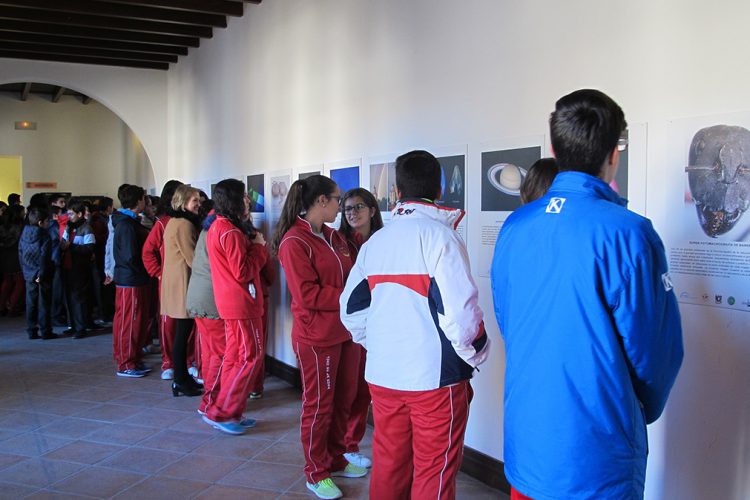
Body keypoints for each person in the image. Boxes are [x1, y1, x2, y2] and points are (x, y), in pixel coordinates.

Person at [490, 89, 684, 500]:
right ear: (614, 153)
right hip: (597, 454)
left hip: (529, 439)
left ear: (555, 148)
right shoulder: (629, 233)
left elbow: (509, 321)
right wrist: (635, 409)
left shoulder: (517, 225)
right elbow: (655, 353)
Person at [340, 151, 489, 500]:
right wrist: (477, 354)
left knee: (390, 463)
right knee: (434, 471)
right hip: (435, 381)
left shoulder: (376, 243)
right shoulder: (441, 238)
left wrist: (381, 344)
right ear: (439, 188)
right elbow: (462, 319)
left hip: (384, 374)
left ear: (395, 190)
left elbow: (350, 311)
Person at [272, 174, 368, 500]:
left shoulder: (334, 237)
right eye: (337, 200)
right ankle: (316, 471)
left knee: (345, 399)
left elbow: (354, 273)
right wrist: (351, 297)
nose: (342, 206)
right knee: (319, 405)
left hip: (345, 331)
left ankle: (337, 457)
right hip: (317, 337)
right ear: (321, 202)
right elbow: (307, 295)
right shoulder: (293, 242)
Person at [203, 179, 267, 434]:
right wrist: (260, 249)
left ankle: (226, 410)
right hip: (240, 304)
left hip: (233, 302)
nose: (247, 201)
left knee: (235, 357)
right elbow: (242, 271)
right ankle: (224, 412)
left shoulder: (221, 227)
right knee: (249, 357)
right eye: (243, 196)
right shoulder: (229, 231)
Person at [336, 187, 384, 469]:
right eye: (348, 208)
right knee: (348, 389)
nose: (352, 213)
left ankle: (350, 443)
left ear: (372, 210)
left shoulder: (383, 240)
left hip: (378, 325)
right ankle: (344, 445)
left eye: (358, 207)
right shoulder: (341, 242)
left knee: (365, 390)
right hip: (349, 325)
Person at [161, 185, 203, 397]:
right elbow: (193, 258)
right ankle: (180, 379)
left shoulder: (176, 221)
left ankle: (182, 378)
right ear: (183, 202)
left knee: (181, 334)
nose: (198, 204)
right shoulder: (184, 224)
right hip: (183, 285)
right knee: (182, 335)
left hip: (177, 284)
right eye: (194, 200)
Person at [142, 180, 183, 380]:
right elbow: (148, 252)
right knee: (169, 323)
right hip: (168, 283)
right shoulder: (163, 222)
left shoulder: (190, 221)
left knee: (188, 323)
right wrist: (159, 273)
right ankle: (169, 362)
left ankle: (187, 361)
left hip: (187, 282)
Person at [112, 185, 151, 377]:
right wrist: (145, 269)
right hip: (130, 280)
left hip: (134, 278)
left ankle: (133, 358)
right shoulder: (126, 225)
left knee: (137, 321)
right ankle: (126, 362)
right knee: (129, 321)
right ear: (138, 201)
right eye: (143, 198)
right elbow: (130, 256)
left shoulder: (130, 222)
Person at [60, 199, 96, 339]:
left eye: (71, 214)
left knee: (79, 298)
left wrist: (71, 247)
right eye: (68, 213)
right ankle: (73, 324)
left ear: (80, 214)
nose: (69, 216)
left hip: (80, 267)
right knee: (69, 296)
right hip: (67, 265)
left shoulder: (87, 228)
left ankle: (81, 327)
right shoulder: (68, 227)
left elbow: (89, 248)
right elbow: (64, 242)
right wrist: (64, 246)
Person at [19, 206, 55, 340]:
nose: (48, 224)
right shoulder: (44, 235)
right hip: (42, 273)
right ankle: (46, 331)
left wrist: (26, 271)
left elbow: (20, 252)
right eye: (46, 221)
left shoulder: (24, 233)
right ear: (41, 222)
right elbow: (44, 256)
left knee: (31, 302)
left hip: (28, 272)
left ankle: (31, 330)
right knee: (44, 302)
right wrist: (41, 273)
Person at [0, 204, 25, 316]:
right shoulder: (18, 226)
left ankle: (2, 305)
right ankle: (12, 306)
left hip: (4, 255)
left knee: (7, 281)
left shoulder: (2, 226)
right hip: (15, 255)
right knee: (19, 282)